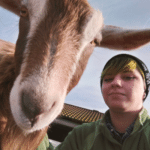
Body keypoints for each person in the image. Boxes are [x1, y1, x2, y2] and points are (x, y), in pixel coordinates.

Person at [55, 54, 150, 150]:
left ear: (144, 90)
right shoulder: (80, 135)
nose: (115, 83)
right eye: (108, 79)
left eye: (128, 77)